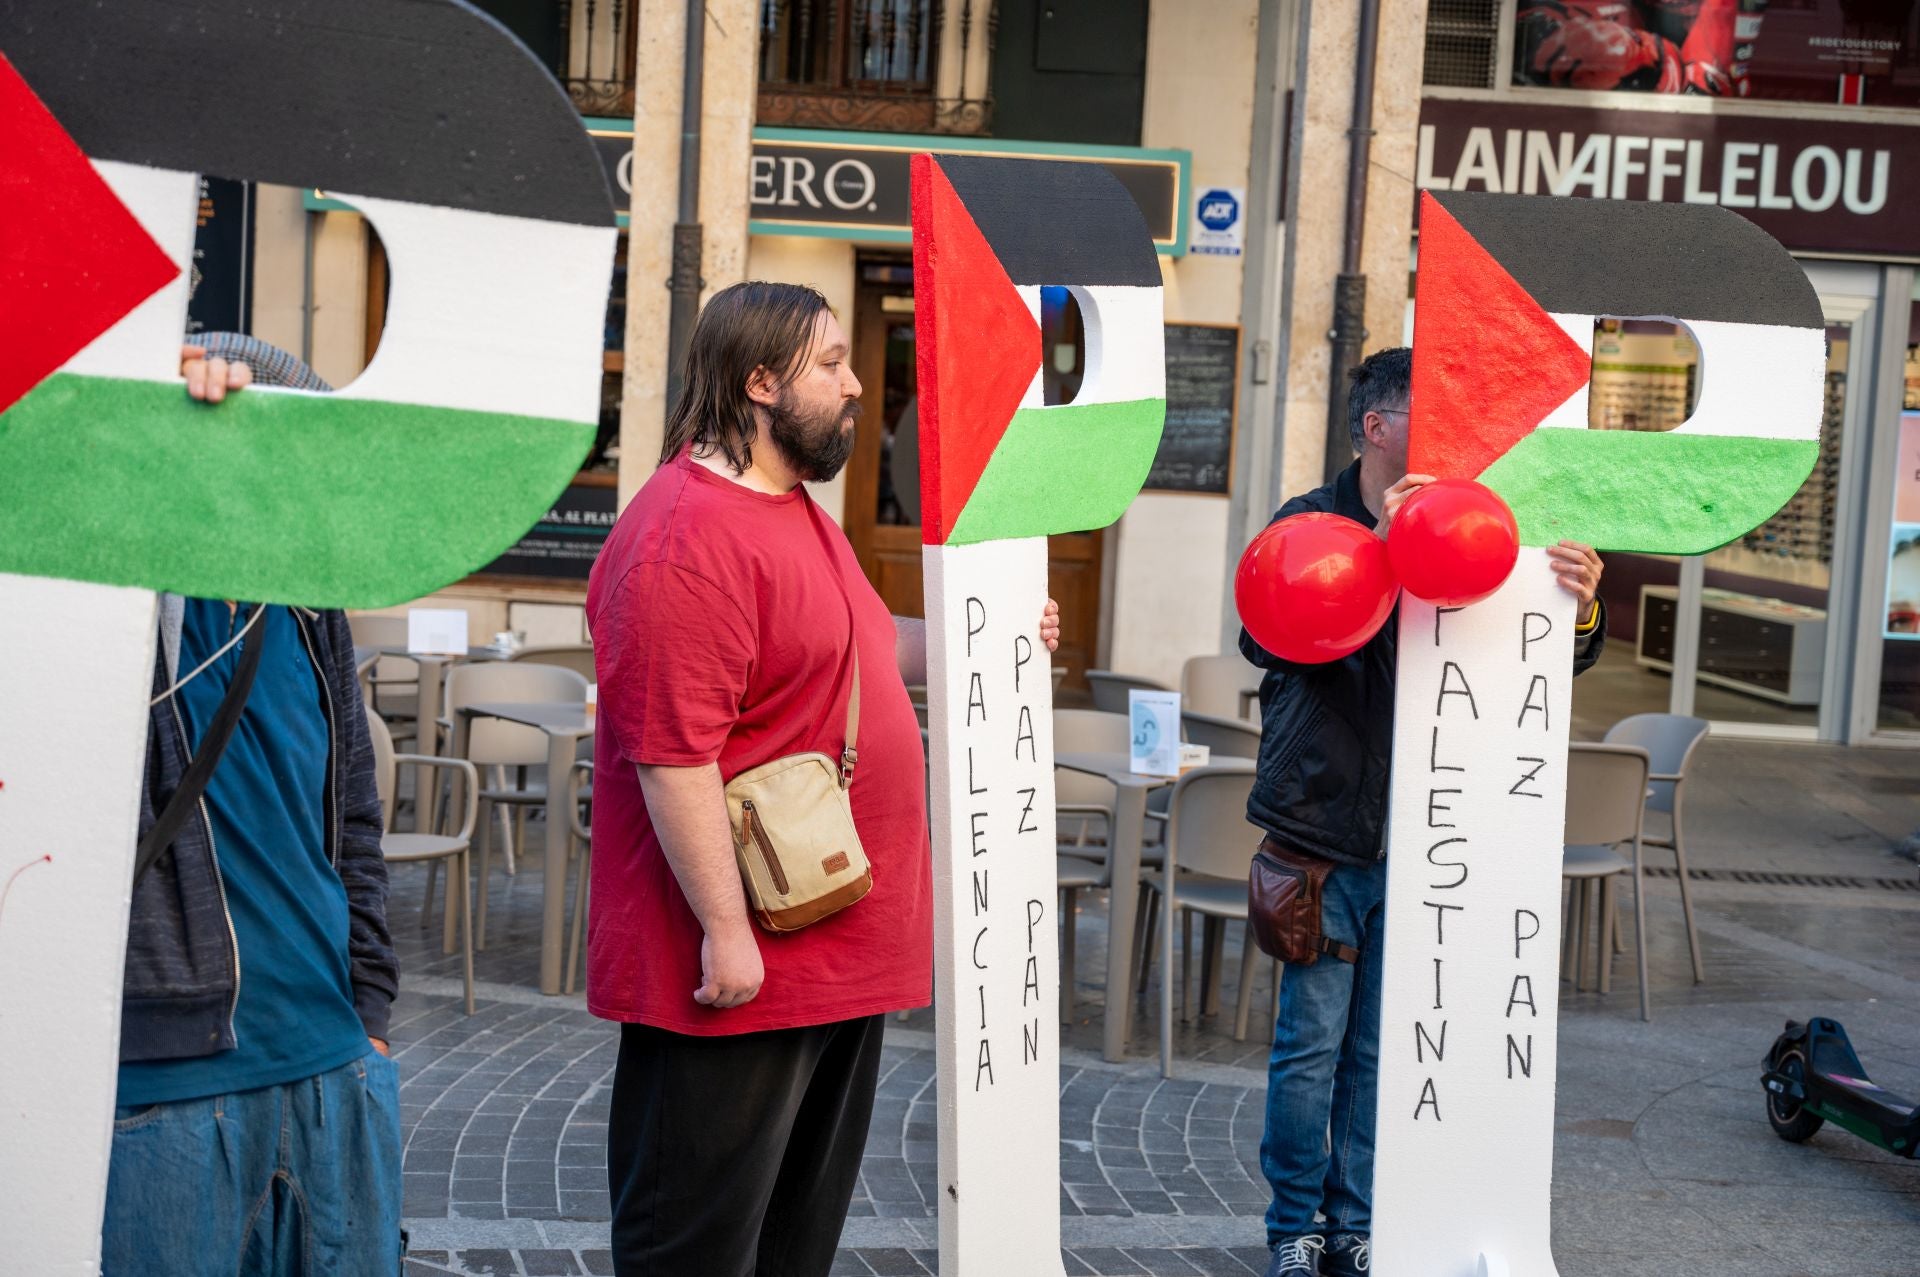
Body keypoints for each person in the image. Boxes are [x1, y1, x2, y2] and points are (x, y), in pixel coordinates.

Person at [585, 281, 1058, 1277]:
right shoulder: (682, 540)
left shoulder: (796, 511)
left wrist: (994, 628)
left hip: (832, 947)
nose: (855, 386)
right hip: (743, 968)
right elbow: (673, 758)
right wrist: (726, 928)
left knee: (792, 1251)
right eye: (832, 364)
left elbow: (868, 649)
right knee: (694, 1255)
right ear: (760, 381)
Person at [1246, 348, 1606, 1277]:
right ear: (1377, 427)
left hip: (1431, 839)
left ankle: (1358, 1222)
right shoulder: (1309, 521)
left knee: (1379, 1052)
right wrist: (1376, 552)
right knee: (1309, 1048)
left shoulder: (1484, 527)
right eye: (1430, 413)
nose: (1455, 434)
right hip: (1324, 832)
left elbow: (1540, 658)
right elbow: (1261, 638)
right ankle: (1294, 1227)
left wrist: (1577, 606)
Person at [104, 337, 401, 1276]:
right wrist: (129, 419)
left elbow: (353, 819)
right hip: (168, 1085)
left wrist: (368, 1008)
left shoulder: (306, 604)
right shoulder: (114, 597)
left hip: (332, 1060)